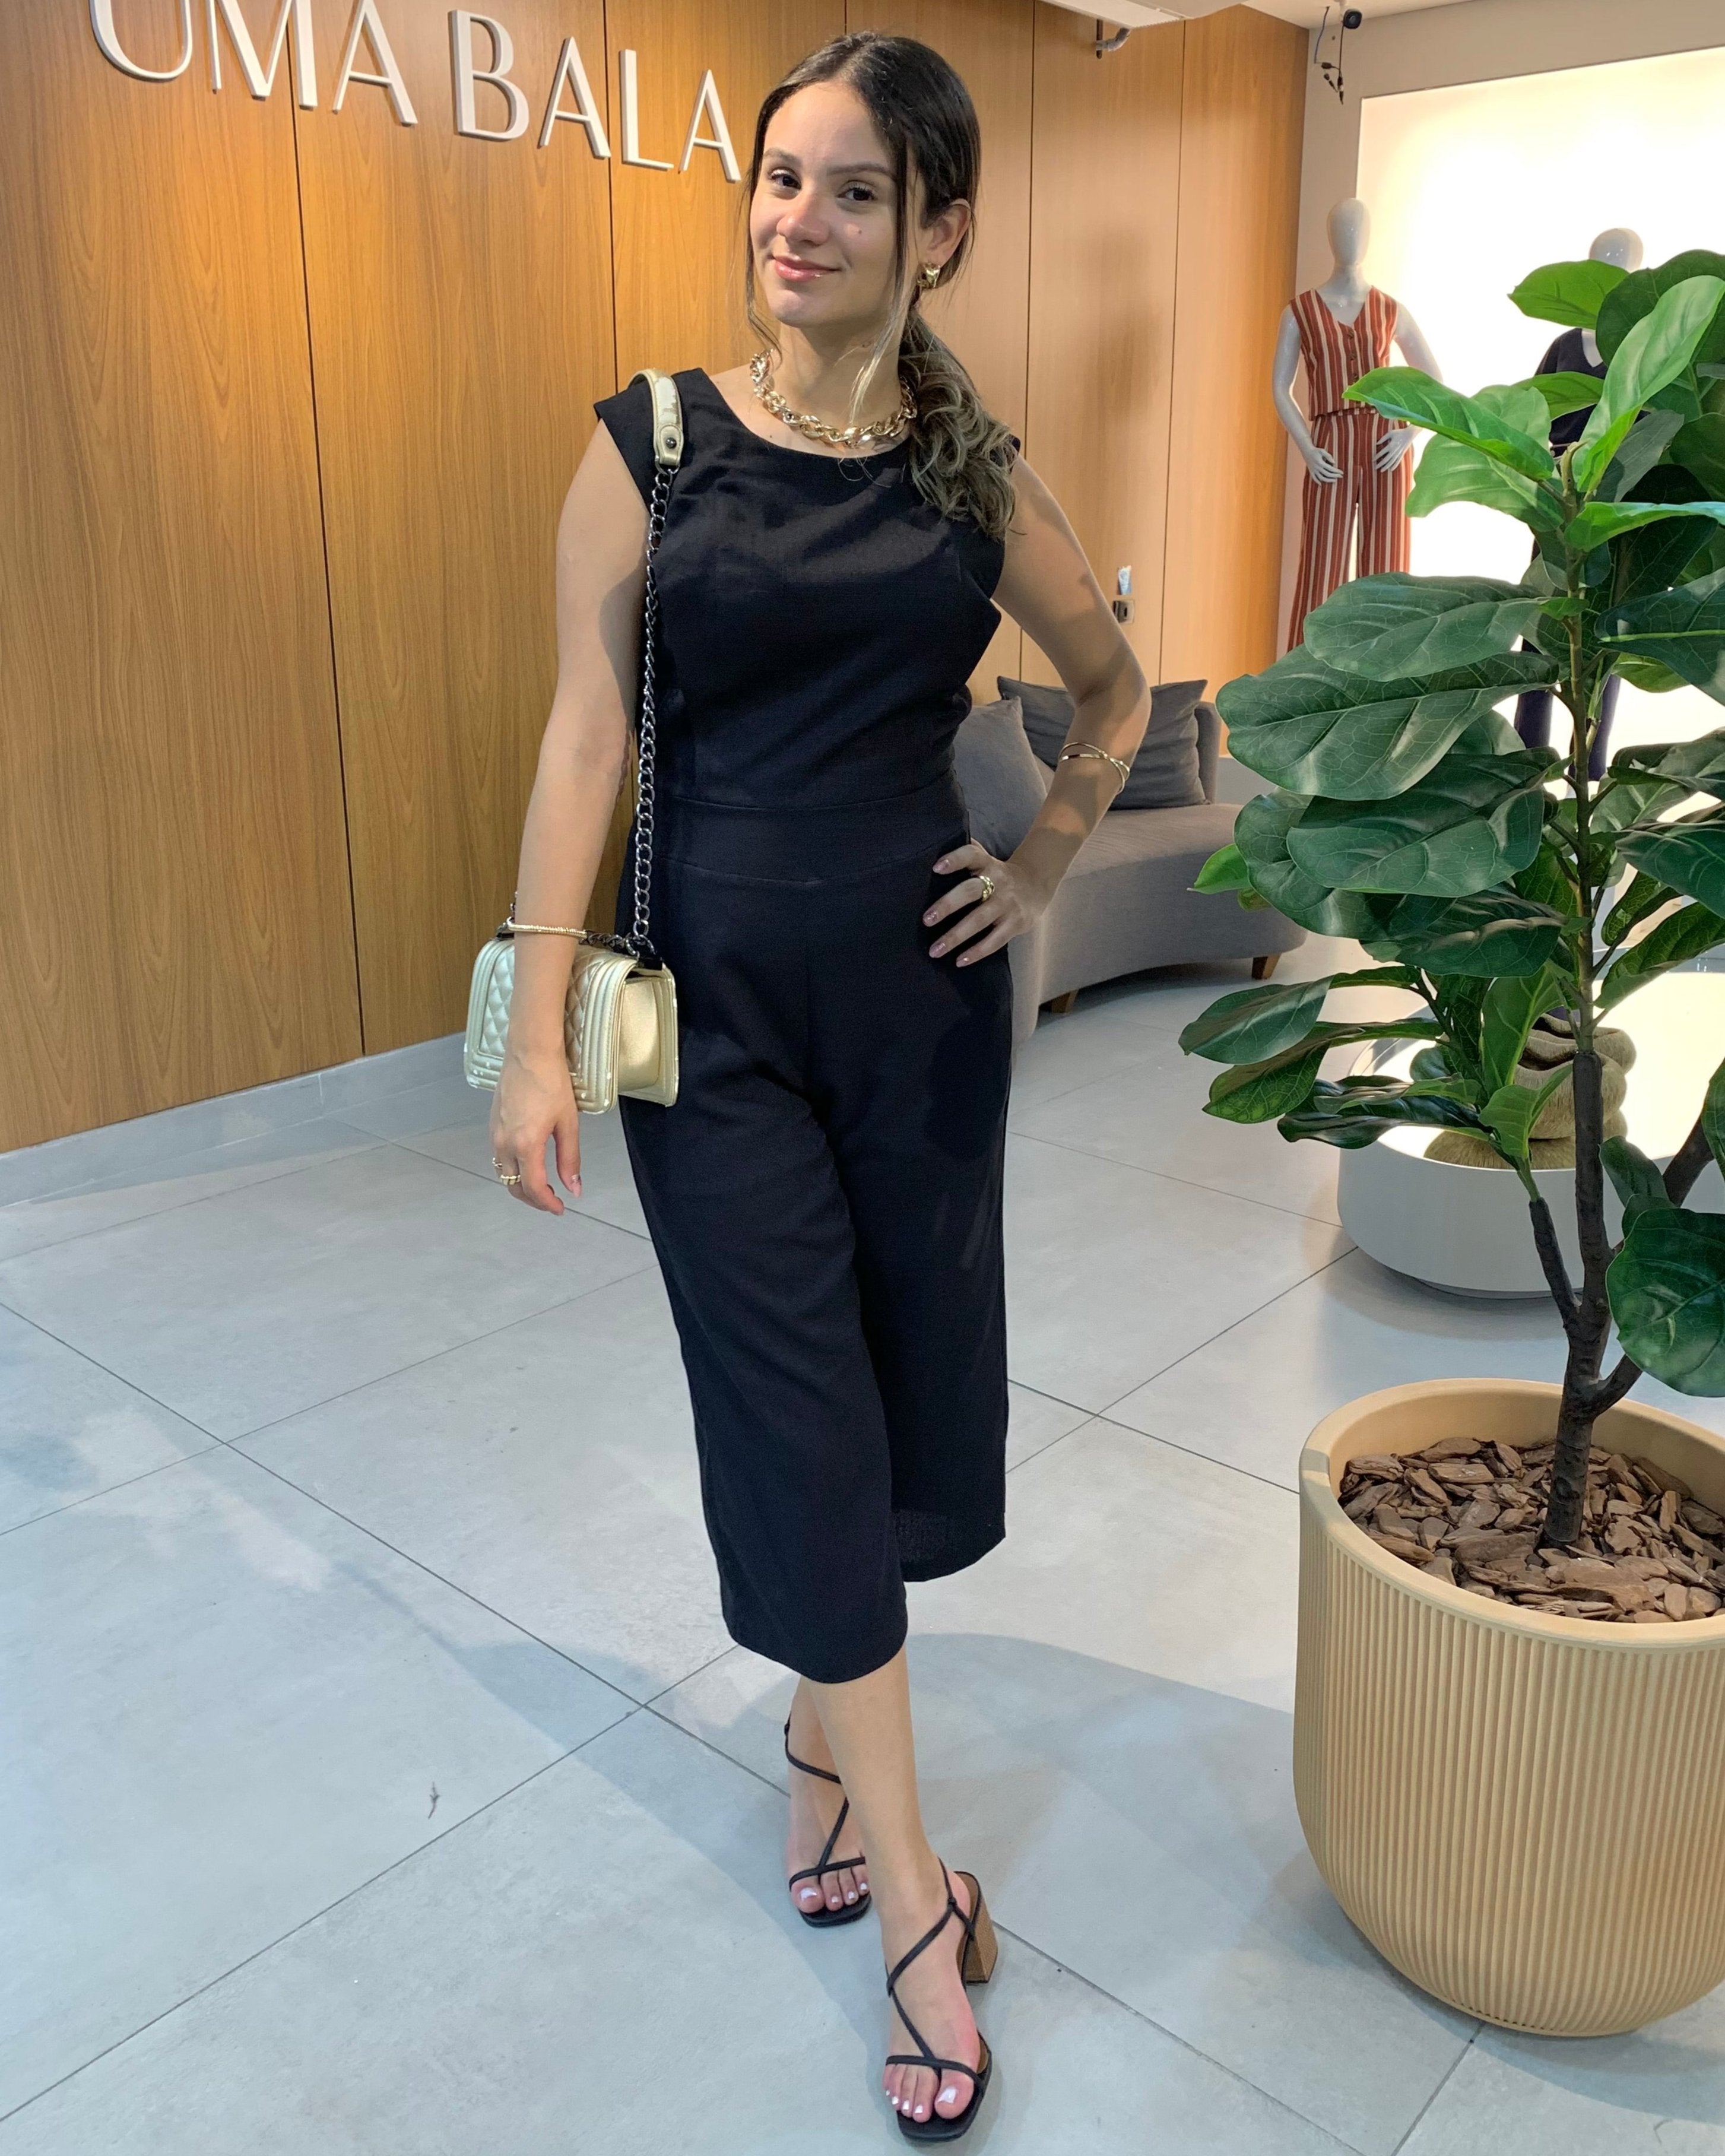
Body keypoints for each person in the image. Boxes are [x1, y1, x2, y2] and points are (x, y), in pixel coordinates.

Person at [489, 32, 1148, 2140]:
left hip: (918, 1024)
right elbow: (583, 739)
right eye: (781, 176)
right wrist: (531, 1035)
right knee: (792, 1412)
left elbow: (1113, 687)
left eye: (855, 188)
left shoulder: (972, 477)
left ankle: (812, 1739)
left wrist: (1036, 868)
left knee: (904, 1404)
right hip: (716, 1034)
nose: (799, 217)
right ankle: (921, 1909)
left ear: (937, 231)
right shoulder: (656, 444)